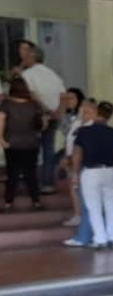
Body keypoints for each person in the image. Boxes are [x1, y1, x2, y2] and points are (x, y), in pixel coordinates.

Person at [73, 101, 113, 248]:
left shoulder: (84, 131)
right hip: (110, 171)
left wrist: (75, 173)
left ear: (96, 112)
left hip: (91, 172)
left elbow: (77, 154)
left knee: (94, 207)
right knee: (111, 205)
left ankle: (100, 239)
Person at [18, 40, 65, 194]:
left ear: (33, 57)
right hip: (54, 116)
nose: (24, 57)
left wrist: (45, 110)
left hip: (35, 117)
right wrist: (57, 112)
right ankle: (48, 183)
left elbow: (31, 95)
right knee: (48, 149)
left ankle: (30, 183)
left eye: (27, 55)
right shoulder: (54, 74)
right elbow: (63, 95)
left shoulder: (27, 74)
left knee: (31, 150)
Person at [0, 77, 44, 211]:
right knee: (31, 174)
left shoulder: (6, 104)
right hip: (31, 143)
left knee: (12, 174)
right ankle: (36, 202)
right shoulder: (34, 104)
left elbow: (1, 121)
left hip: (12, 143)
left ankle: (8, 203)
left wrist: (1, 139)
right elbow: (41, 124)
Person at [62, 99, 97, 248]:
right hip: (73, 161)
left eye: (88, 111)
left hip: (85, 164)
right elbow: (70, 141)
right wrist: (67, 157)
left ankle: (85, 235)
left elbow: (80, 149)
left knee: (86, 200)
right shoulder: (77, 124)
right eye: (83, 110)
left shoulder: (93, 128)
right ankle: (80, 219)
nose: (84, 114)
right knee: (75, 191)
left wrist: (73, 162)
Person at [58, 88, 85, 226]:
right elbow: (64, 131)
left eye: (72, 98)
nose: (69, 101)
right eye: (67, 98)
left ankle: (80, 214)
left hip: (82, 155)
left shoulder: (84, 116)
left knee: (78, 186)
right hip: (69, 153)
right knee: (73, 186)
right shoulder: (66, 116)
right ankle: (77, 214)